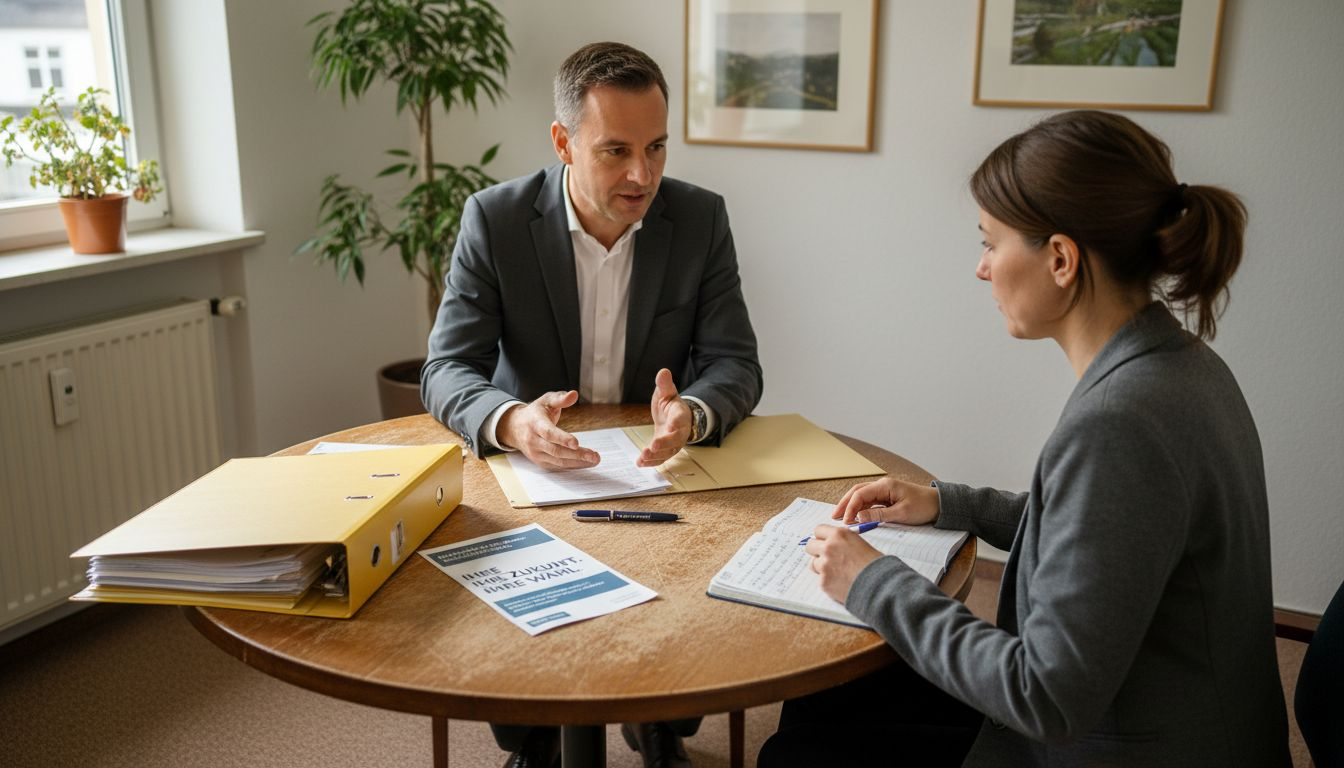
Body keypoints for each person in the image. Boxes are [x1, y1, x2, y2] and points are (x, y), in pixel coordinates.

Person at [758, 110, 1291, 767]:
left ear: (1062, 259)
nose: (982, 269)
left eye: (990, 242)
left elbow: (1047, 697)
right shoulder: (1180, 365)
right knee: (828, 687)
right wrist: (947, 504)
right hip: (1158, 715)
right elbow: (1101, 534)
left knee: (803, 749)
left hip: (1113, 744)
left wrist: (873, 582)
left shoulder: (1118, 422)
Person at [421, 42, 762, 768]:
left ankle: (660, 723)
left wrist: (693, 414)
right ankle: (534, 734)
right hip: (530, 471)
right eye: (615, 151)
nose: (642, 175)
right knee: (518, 623)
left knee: (687, 596)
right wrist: (512, 419)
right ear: (562, 141)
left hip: (655, 470)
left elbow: (735, 362)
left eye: (657, 148)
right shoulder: (497, 219)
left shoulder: (700, 219)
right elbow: (447, 367)